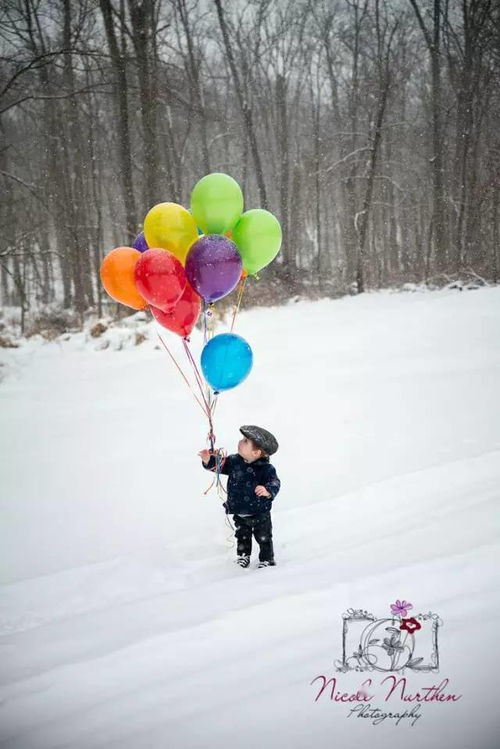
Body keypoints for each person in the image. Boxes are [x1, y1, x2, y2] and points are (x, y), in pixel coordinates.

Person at [198, 425, 281, 568]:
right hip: (239, 509)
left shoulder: (266, 469)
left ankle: (267, 559)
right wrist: (207, 460)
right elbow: (219, 466)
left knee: (264, 537)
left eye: (246, 441)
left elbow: (275, 483)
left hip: (259, 512)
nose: (240, 442)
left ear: (256, 452)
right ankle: (243, 556)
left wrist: (267, 490)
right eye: (243, 438)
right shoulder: (234, 461)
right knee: (242, 536)